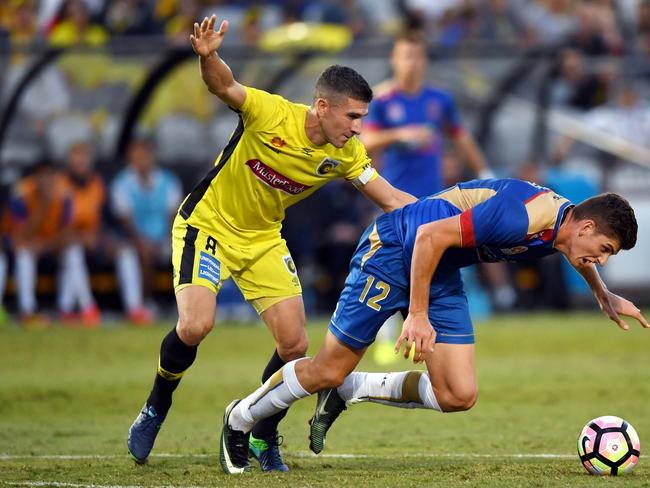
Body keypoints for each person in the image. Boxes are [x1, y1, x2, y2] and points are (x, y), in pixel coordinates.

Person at [126, 14, 415, 472]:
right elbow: (225, 87)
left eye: (363, 117)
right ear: (322, 106)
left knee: (294, 344)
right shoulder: (269, 112)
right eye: (353, 116)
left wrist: (452, 220)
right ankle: (156, 406)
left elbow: (392, 198)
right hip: (208, 226)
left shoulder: (345, 153)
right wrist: (209, 56)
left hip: (261, 239)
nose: (360, 127)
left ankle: (260, 433)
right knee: (196, 326)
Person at [219, 178, 648, 474]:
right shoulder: (522, 216)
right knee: (327, 367)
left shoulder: (564, 228)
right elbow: (427, 235)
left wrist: (601, 293)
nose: (602, 260)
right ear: (587, 226)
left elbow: (576, 251)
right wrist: (418, 315)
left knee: (458, 394)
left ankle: (350, 391)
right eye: (605, 249)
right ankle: (238, 419)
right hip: (394, 250)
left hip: (437, 268)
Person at [111, 138, 182, 320]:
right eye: (137, 155)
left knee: (186, 252)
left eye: (145, 154)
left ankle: (183, 305)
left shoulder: (168, 181)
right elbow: (125, 220)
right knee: (137, 253)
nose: (141, 159)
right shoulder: (121, 183)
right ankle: (142, 304)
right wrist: (142, 242)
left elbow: (173, 216)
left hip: (166, 238)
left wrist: (166, 239)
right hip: (136, 240)